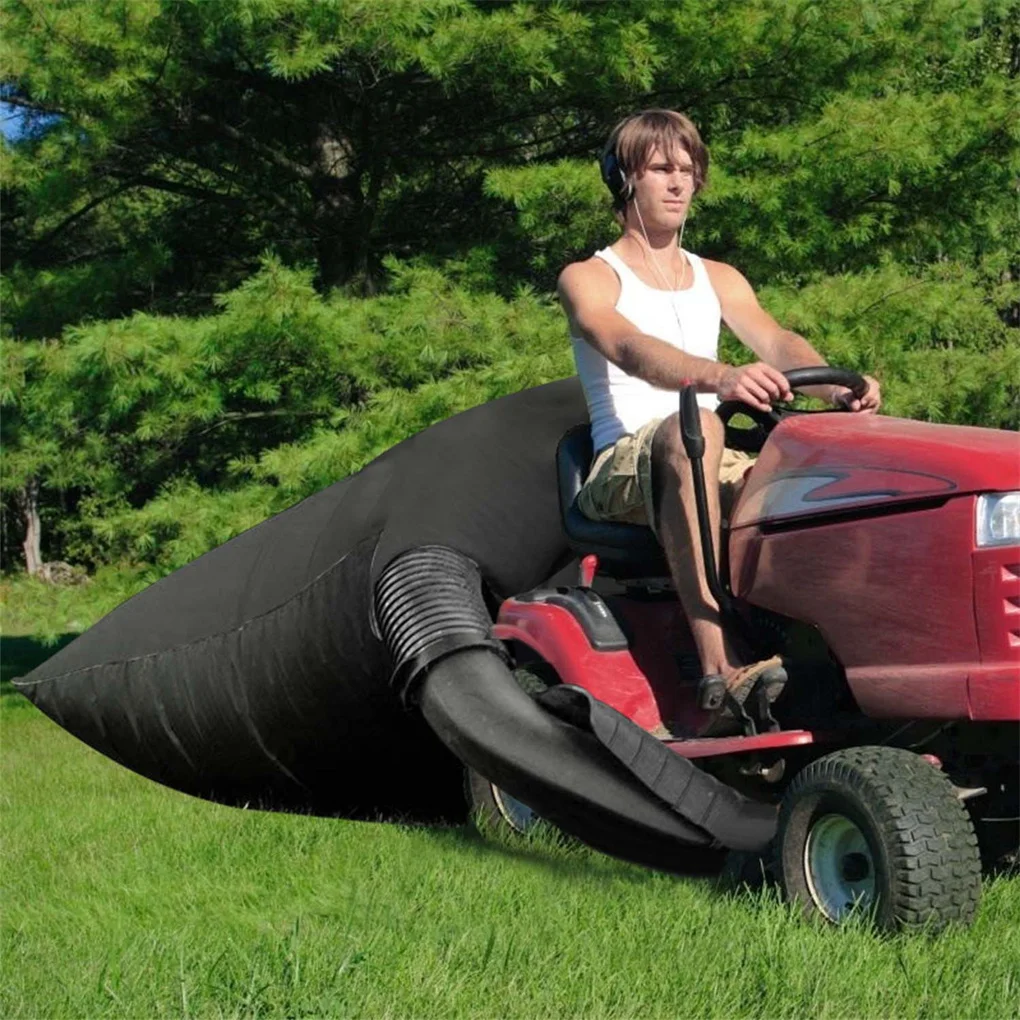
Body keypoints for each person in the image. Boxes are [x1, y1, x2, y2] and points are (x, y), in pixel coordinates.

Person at [557, 109, 881, 729]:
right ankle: (719, 666)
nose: (678, 183)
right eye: (660, 170)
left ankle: (853, 659)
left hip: (708, 455)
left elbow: (778, 340)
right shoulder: (589, 278)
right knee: (699, 429)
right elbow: (626, 346)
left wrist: (837, 385)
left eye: (687, 170)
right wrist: (719, 376)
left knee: (831, 477)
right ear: (624, 180)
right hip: (622, 466)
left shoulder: (719, 277)